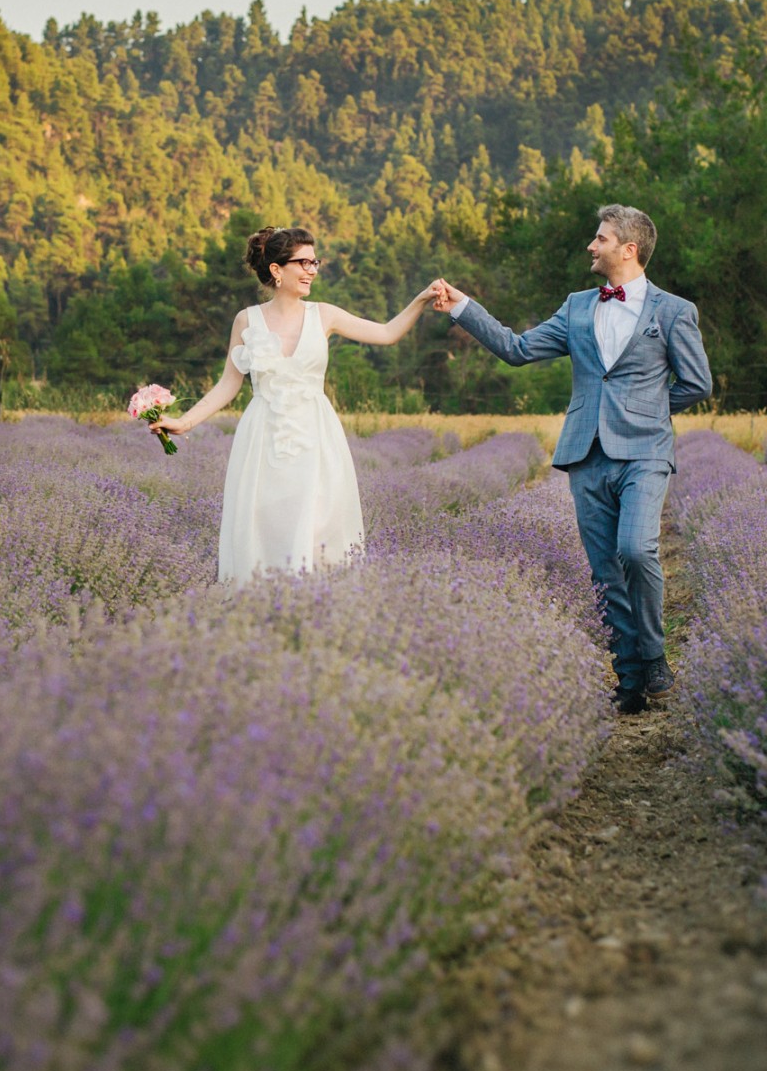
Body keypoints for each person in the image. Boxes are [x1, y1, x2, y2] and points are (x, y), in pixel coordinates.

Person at [433, 205, 712, 714]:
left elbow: (697, 383)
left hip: (645, 450)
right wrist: (462, 307)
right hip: (585, 453)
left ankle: (651, 654)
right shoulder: (577, 307)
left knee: (637, 550)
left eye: (600, 238)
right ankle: (627, 678)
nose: (591, 245)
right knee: (605, 571)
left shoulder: (674, 311)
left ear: (628, 249)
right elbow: (517, 350)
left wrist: (643, 410)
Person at [153, 225, 441, 583]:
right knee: (264, 524)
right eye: (303, 262)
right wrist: (184, 422)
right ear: (277, 270)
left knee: (319, 523)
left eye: (314, 262)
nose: (312, 270)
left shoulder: (325, 314)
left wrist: (420, 300)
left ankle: (315, 611)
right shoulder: (247, 320)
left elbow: (386, 333)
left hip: (315, 435)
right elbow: (228, 384)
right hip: (263, 439)